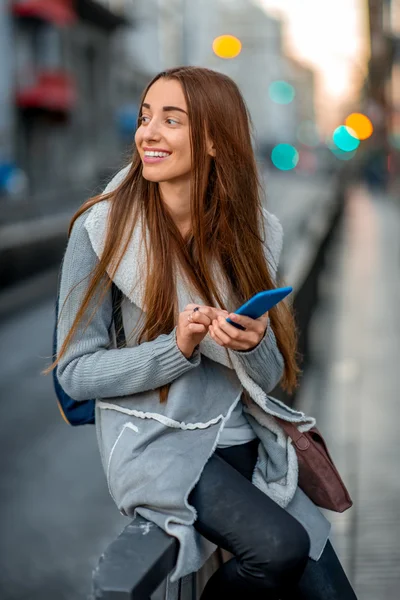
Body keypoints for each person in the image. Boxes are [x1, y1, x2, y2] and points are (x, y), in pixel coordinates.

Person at [47, 66, 357, 599]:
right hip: (157, 440)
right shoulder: (100, 231)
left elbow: (273, 375)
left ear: (214, 140)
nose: (148, 132)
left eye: (171, 120)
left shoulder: (250, 233)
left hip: (245, 438)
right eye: (147, 117)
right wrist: (177, 348)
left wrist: (252, 342)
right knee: (278, 549)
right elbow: (74, 373)